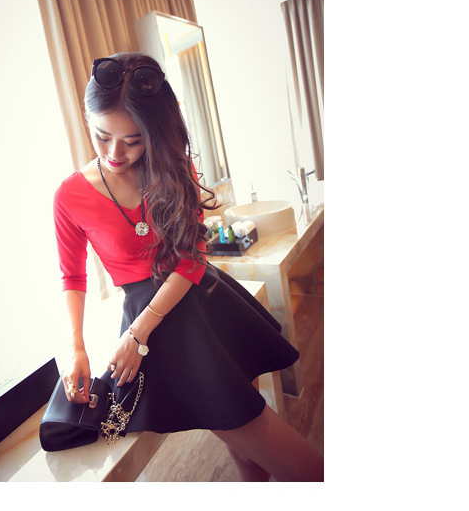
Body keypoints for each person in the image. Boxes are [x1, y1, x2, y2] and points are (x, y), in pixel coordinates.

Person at [52, 52, 323, 481]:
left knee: (286, 460)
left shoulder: (173, 168)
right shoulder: (70, 196)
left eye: (133, 140)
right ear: (87, 120)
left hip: (199, 301)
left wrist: (137, 334)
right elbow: (73, 275)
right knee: (244, 435)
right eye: (102, 136)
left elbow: (192, 258)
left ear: (154, 133)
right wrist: (76, 348)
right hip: (169, 329)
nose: (115, 153)